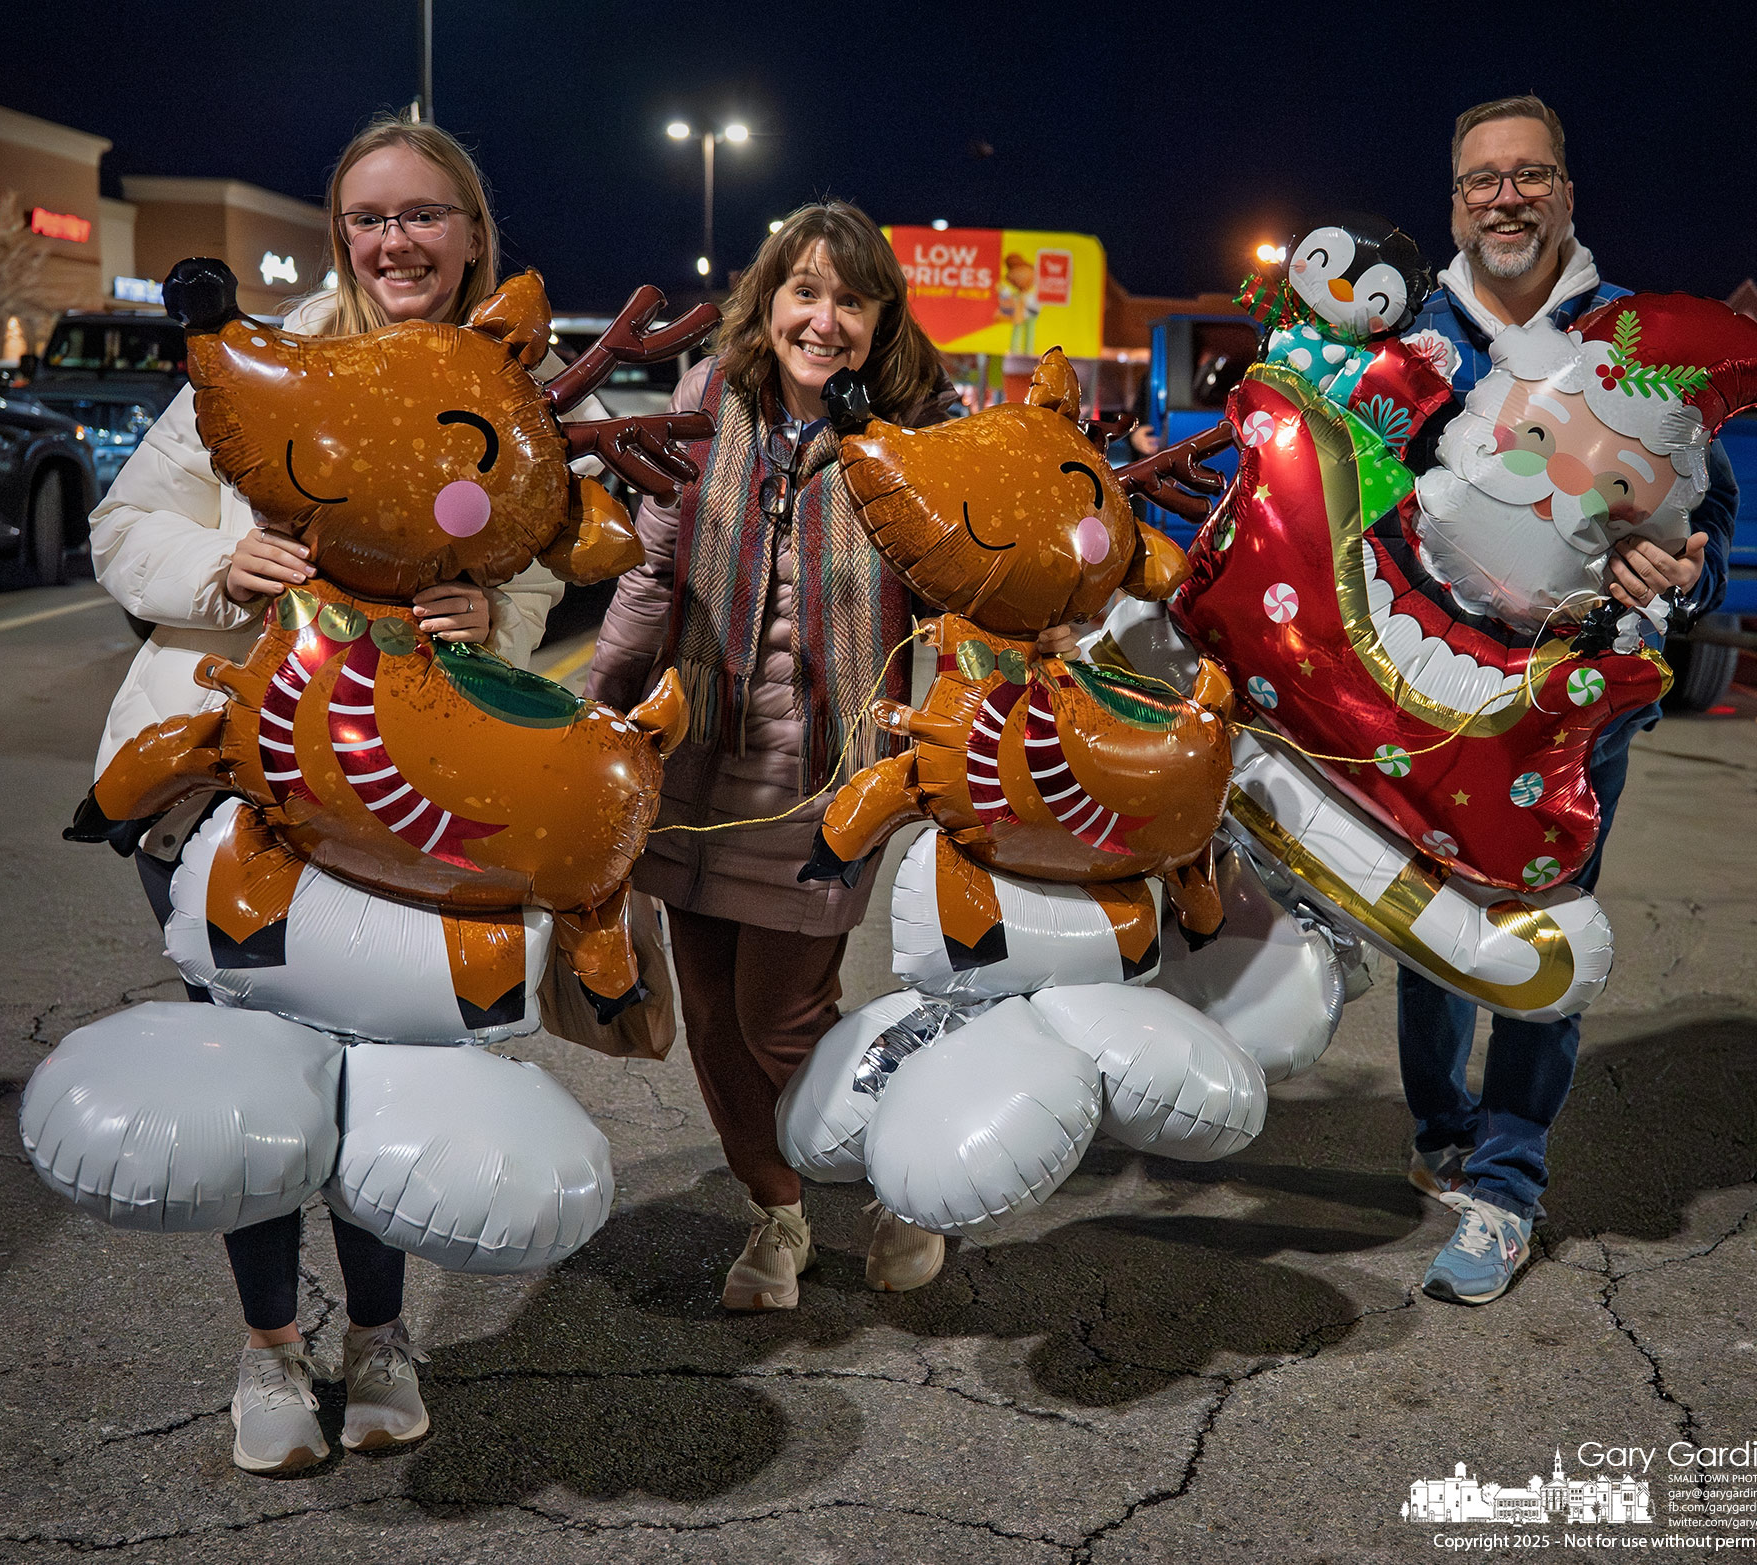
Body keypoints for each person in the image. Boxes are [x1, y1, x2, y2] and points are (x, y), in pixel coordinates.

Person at [87, 115, 584, 1473]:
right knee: (250, 1079)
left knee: (383, 1077)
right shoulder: (264, 362)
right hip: (231, 778)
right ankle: (265, 1347)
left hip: (406, 787)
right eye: (368, 218)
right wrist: (221, 563)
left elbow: (544, 564)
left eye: (423, 214)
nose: (394, 241)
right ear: (338, 234)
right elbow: (123, 524)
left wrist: (498, 610)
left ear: (472, 230)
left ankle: (377, 1334)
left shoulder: (509, 378)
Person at [590, 202, 1074, 1310]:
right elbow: (655, 567)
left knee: (784, 1010)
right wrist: (599, 698)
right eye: (804, 291)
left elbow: (978, 579)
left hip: (824, 766)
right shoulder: (708, 403)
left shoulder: (918, 429)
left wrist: (1040, 625)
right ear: (767, 302)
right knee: (710, 1012)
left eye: (850, 297)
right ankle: (777, 1215)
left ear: (881, 317)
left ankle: (903, 1174)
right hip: (694, 749)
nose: (825, 317)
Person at [1398, 95, 1738, 1305]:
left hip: (1577, 693)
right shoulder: (1407, 326)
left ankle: (1508, 1182)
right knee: (1430, 933)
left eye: (1530, 174)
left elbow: (1716, 511)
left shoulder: (1636, 335)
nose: (1507, 196)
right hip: (1420, 689)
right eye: (1484, 177)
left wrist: (1682, 566)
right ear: (1455, 200)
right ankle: (1442, 1126)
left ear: (1566, 195)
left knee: (1543, 932)